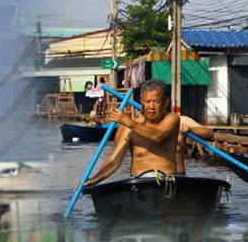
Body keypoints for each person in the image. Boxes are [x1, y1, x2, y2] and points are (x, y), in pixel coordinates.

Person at [83, 79, 213, 188]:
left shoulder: (172, 119)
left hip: (168, 182)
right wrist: (94, 180)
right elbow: (115, 160)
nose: (151, 106)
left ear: (166, 102)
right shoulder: (129, 126)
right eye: (147, 102)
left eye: (156, 102)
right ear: (141, 102)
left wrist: (127, 121)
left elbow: (158, 136)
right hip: (139, 182)